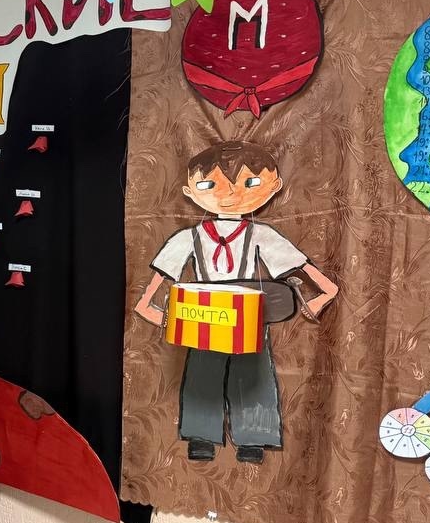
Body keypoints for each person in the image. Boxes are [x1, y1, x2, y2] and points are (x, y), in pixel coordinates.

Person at [134, 140, 337, 462]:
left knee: (253, 374)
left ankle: (253, 438)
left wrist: (323, 296)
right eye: (210, 185)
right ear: (189, 191)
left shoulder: (262, 235)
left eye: (250, 183)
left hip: (248, 318)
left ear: (274, 186)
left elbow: (314, 277)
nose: (229, 194)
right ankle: (201, 436)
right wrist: (167, 318)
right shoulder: (187, 238)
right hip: (203, 317)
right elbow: (147, 299)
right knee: (203, 373)